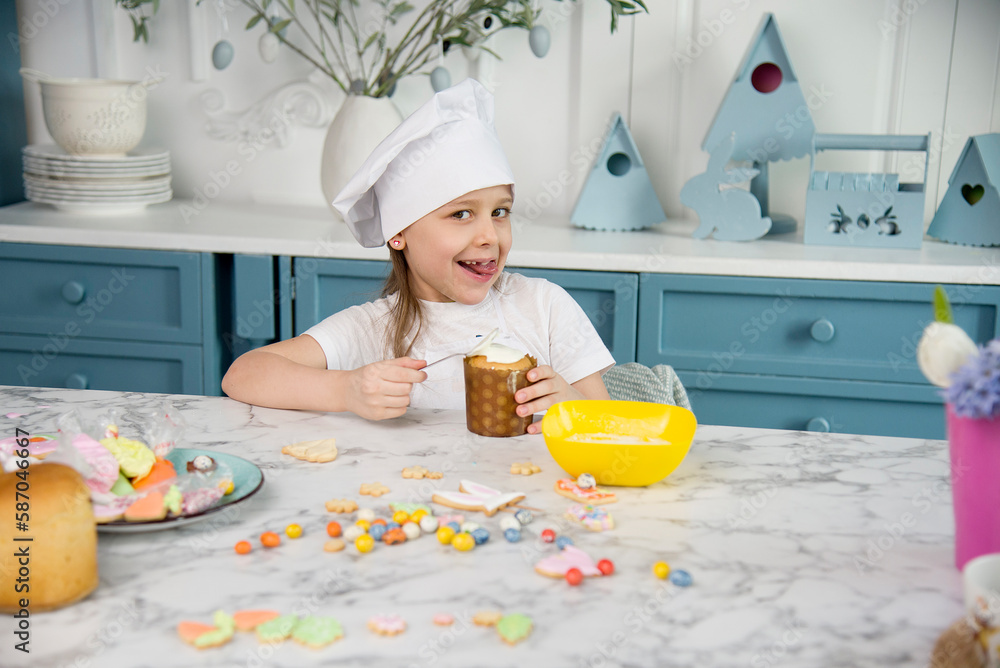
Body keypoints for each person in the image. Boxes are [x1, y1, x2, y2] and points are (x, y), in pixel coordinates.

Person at [222, 79, 615, 434]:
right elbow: (243, 375)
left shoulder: (544, 307)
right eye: (461, 214)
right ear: (399, 233)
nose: (488, 235)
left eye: (500, 212)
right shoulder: (372, 328)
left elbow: (609, 424)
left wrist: (571, 406)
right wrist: (348, 389)